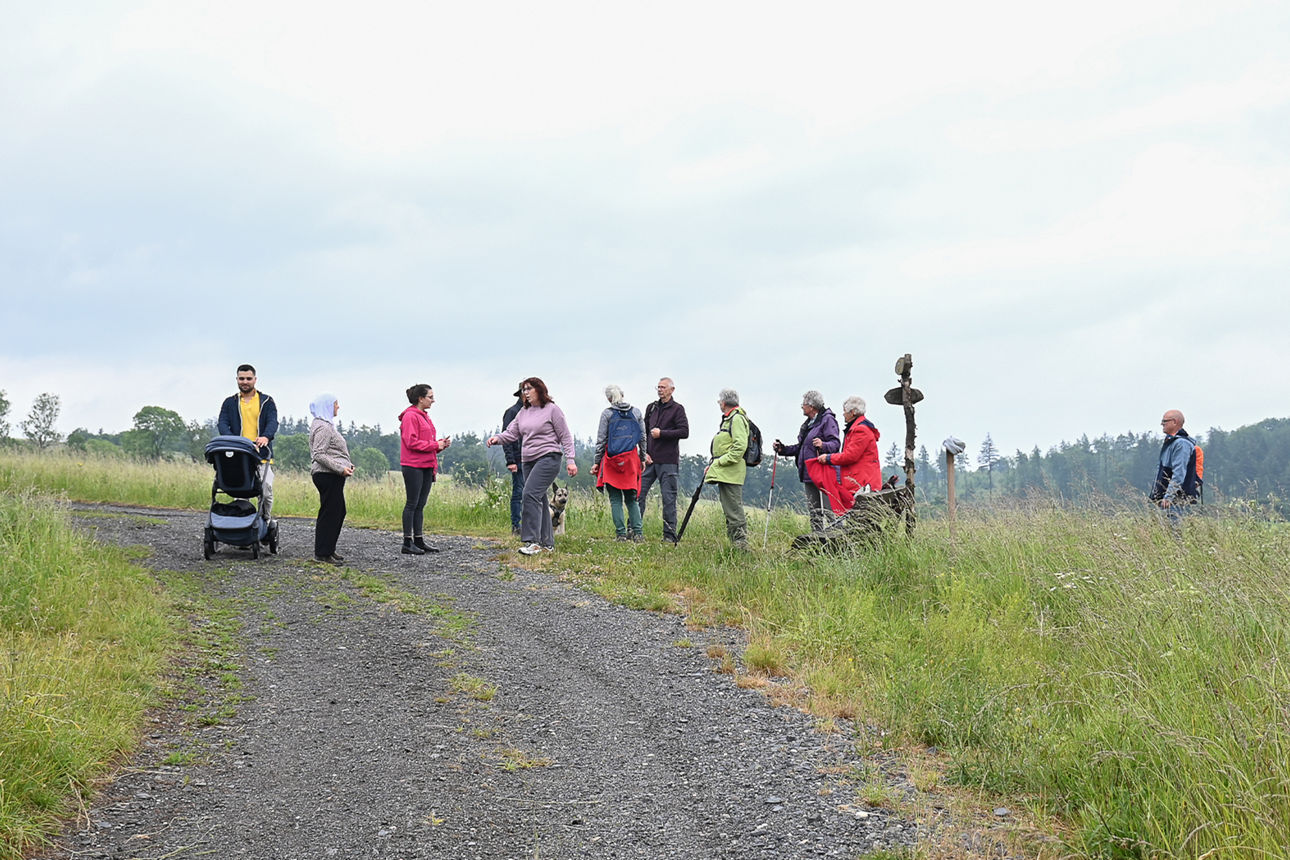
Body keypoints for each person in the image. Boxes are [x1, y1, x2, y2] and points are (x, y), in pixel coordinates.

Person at [486, 377, 578, 555]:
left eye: (528, 389)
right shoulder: (523, 412)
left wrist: (571, 460)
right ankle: (547, 543)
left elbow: (565, 436)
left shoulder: (552, 410)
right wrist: (498, 438)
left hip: (548, 457)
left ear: (539, 389)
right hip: (528, 460)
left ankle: (532, 541)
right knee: (540, 499)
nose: (525, 392)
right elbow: (512, 433)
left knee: (529, 494)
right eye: (523, 389)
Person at [217, 364, 278, 524]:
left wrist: (265, 436)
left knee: (265, 489)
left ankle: (265, 519)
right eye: (241, 378)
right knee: (240, 492)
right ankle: (242, 522)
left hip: (261, 454)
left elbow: (272, 422)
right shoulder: (230, 402)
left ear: (255, 380)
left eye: (248, 379)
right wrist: (232, 440)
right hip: (238, 455)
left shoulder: (267, 401)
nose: (245, 382)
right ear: (237, 379)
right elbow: (222, 423)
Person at [772, 390, 840, 530]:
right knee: (814, 512)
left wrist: (823, 445)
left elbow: (836, 444)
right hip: (809, 474)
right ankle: (816, 542)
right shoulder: (809, 424)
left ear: (812, 406)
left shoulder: (828, 419)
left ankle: (838, 540)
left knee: (830, 511)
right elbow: (801, 448)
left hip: (824, 473)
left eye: (803, 404)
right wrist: (782, 449)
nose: (802, 407)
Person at [805, 396, 881, 517]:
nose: (843, 414)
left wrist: (828, 458)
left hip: (862, 482)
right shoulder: (859, 428)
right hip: (862, 480)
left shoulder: (860, 430)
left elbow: (851, 456)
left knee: (857, 521)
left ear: (853, 412)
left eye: (845, 411)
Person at [399, 384, 452, 555]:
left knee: (420, 505)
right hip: (413, 465)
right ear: (420, 399)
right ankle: (407, 542)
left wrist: (440, 445)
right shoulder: (410, 417)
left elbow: (426, 443)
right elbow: (411, 442)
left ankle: (419, 540)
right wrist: (435, 444)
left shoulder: (425, 417)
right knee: (412, 504)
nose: (433, 400)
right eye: (430, 397)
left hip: (426, 465)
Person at [592, 384, 647, 541]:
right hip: (630, 459)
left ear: (609, 398)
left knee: (615, 499)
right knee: (632, 498)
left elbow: (601, 440)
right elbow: (642, 437)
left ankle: (621, 534)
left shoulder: (607, 414)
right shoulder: (636, 412)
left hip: (611, 460)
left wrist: (597, 462)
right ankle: (638, 533)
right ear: (622, 395)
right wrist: (642, 458)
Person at [639, 377, 689, 543]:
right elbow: (643, 432)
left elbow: (684, 432)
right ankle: (635, 530)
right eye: (658, 387)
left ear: (672, 390)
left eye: (663, 387)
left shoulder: (677, 409)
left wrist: (662, 433)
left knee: (668, 499)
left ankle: (669, 536)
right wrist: (643, 452)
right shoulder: (651, 408)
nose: (660, 390)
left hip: (668, 461)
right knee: (638, 494)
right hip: (649, 460)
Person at [309, 393, 353, 564]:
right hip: (327, 475)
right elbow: (319, 454)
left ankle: (329, 549)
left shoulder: (325, 425)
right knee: (330, 512)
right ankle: (322, 552)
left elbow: (334, 452)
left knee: (337, 511)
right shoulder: (323, 427)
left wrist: (346, 465)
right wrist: (340, 468)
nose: (338, 407)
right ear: (327, 406)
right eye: (335, 404)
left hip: (332, 474)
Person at [704, 388, 750, 549]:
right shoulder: (730, 418)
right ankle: (735, 545)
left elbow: (739, 447)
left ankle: (740, 546)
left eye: (719, 401)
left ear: (723, 403)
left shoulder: (736, 419)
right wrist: (713, 465)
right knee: (730, 510)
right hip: (726, 473)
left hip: (731, 473)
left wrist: (720, 462)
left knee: (734, 511)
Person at [1151, 409, 1200, 519]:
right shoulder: (1172, 442)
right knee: (1166, 534)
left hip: (1176, 501)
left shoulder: (1181, 444)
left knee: (1174, 533)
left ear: (1174, 422)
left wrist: (1168, 497)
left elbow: (1179, 473)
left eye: (1164, 421)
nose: (1161, 424)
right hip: (1169, 501)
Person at [501, 383, 526, 536]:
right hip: (518, 459)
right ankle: (516, 525)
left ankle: (528, 524)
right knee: (518, 492)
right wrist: (510, 460)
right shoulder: (512, 412)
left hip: (531, 458)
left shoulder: (531, 412)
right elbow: (506, 437)